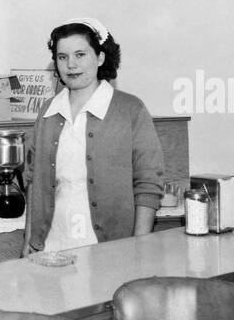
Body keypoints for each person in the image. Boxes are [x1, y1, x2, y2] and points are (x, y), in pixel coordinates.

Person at [23, 18, 163, 255]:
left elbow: (148, 184)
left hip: (110, 250)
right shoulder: (47, 111)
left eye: (80, 54)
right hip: (51, 246)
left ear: (100, 58)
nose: (71, 65)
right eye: (62, 57)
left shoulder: (130, 109)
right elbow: (33, 182)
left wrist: (139, 248)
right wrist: (28, 243)